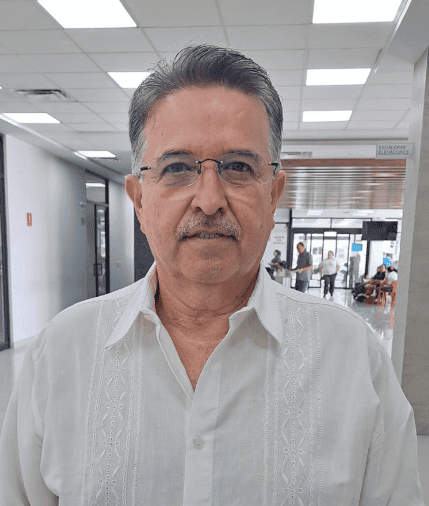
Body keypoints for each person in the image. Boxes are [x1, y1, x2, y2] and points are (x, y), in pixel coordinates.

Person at [0, 44, 423, 506]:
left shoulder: (353, 359)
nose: (208, 200)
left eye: (238, 167)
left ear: (273, 194)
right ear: (139, 200)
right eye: (177, 168)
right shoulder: (61, 354)